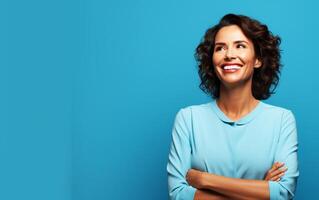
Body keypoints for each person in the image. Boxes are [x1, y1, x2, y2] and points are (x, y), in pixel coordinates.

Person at [167, 14, 299, 200]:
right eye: (220, 48)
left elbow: (283, 193)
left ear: (257, 60)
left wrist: (204, 179)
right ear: (212, 60)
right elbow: (178, 194)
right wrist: (259, 190)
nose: (229, 54)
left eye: (240, 46)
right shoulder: (188, 119)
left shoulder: (282, 120)